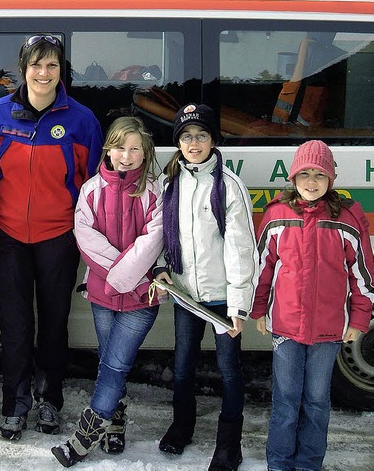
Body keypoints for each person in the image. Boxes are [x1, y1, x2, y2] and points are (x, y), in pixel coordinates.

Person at [0, 34, 104, 441]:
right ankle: (14, 405)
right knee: (14, 327)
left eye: (51, 65)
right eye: (36, 65)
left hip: (58, 237)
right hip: (8, 237)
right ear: (23, 69)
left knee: (53, 324)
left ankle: (50, 401)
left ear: (61, 70)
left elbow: (96, 185)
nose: (43, 73)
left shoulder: (82, 120)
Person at [250, 140, 374, 471]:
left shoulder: (346, 219)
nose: (311, 181)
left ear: (331, 178)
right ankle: (278, 462)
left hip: (329, 328)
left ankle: (308, 463)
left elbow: (362, 275)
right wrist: (259, 309)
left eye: (319, 174)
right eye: (304, 173)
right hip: (286, 327)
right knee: (286, 401)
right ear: (293, 178)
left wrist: (359, 320)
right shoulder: (277, 215)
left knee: (317, 401)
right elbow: (261, 269)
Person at [51, 116, 165, 467]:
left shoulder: (155, 191)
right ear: (108, 150)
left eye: (134, 149)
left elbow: (153, 241)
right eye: (119, 148)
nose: (126, 156)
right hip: (103, 295)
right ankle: (114, 422)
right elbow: (87, 239)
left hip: (142, 299)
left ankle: (84, 438)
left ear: (145, 153)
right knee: (108, 361)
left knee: (114, 365)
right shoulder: (91, 190)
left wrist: (128, 280)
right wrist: (123, 275)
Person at [154, 103, 257, 471]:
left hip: (222, 298)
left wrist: (238, 305)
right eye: (186, 136)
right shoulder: (170, 183)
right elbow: (161, 235)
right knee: (183, 365)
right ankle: (182, 426)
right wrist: (162, 269)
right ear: (177, 142)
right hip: (186, 295)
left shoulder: (228, 186)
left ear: (214, 139)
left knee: (230, 370)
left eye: (201, 135)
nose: (193, 142)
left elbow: (241, 248)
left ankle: (230, 444)